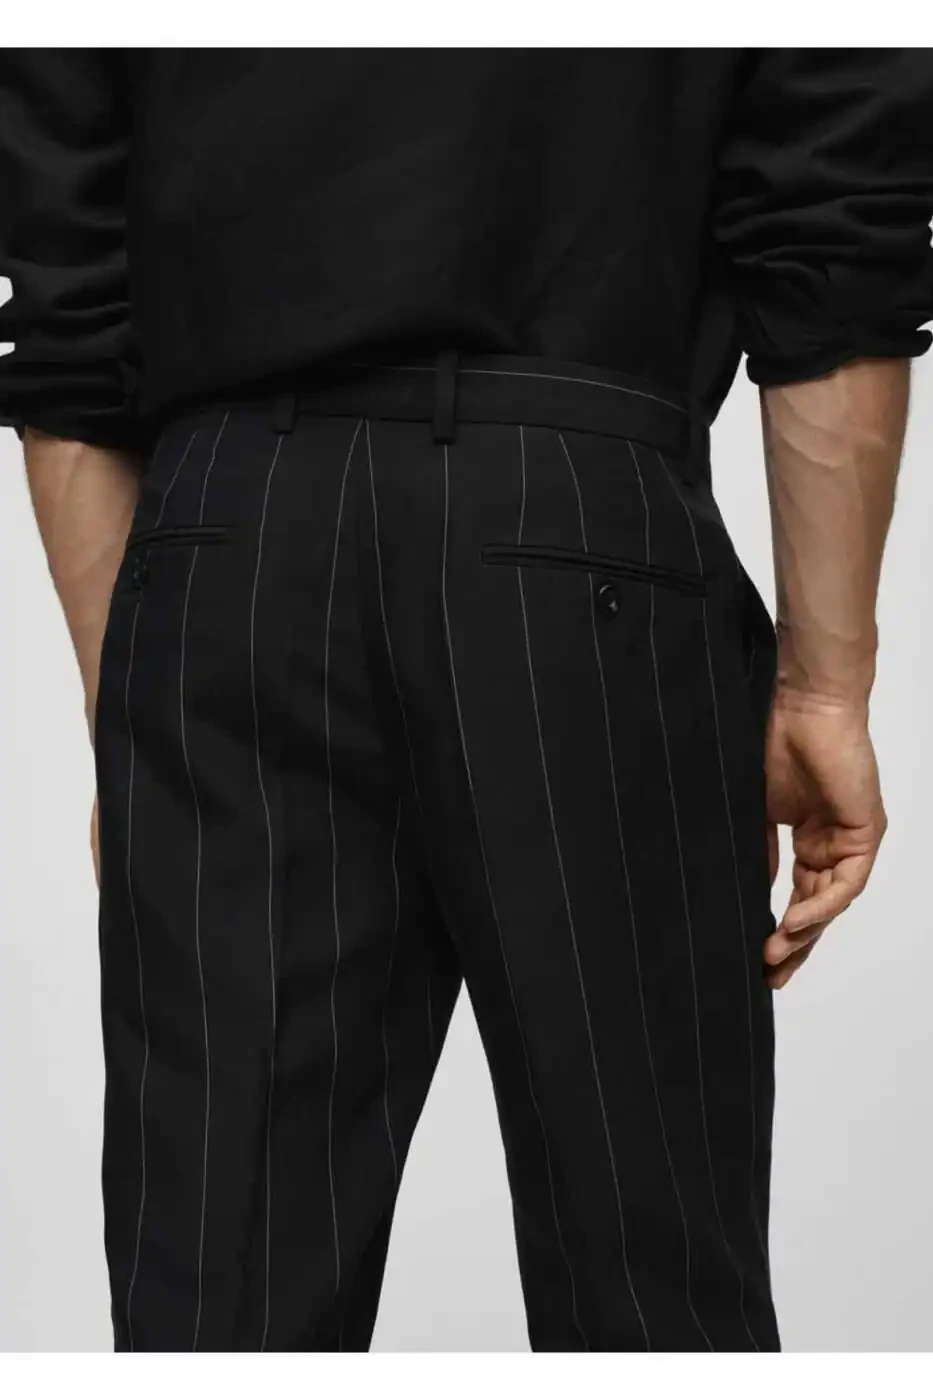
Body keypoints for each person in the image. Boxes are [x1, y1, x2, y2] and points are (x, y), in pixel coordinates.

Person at [1, 49, 931, 1354]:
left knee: (217, 1308)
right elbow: (833, 211)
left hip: (230, 544)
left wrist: (135, 719)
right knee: (657, 1293)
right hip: (580, 525)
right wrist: (824, 689)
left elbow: (65, 276)